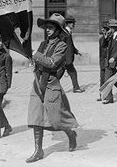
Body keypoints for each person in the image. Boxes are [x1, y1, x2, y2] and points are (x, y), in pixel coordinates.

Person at [26, 13, 78, 163]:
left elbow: (52, 63)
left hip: (51, 85)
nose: (47, 30)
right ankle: (38, 150)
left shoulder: (62, 45)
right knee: (36, 116)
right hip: (38, 85)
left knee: (57, 119)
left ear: (57, 29)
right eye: (46, 27)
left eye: (50, 27)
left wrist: (36, 55)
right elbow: (40, 62)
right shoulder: (43, 44)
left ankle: (71, 134)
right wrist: (34, 64)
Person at [58, 14, 84, 93]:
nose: (73, 24)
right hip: (66, 58)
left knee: (60, 73)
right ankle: (76, 88)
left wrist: (76, 51)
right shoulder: (64, 33)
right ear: (68, 24)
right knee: (72, 73)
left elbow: (70, 45)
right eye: (72, 23)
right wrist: (64, 58)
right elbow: (62, 45)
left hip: (67, 58)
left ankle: (50, 85)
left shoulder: (68, 32)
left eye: (73, 23)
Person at [102, 19, 117, 104]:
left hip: (115, 62)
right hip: (108, 62)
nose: (109, 30)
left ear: (114, 28)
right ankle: (109, 98)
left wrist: (114, 57)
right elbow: (103, 46)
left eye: (110, 28)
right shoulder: (109, 37)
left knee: (116, 80)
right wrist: (105, 37)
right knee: (108, 79)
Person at [98, 21, 111, 101]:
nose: (104, 31)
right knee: (102, 80)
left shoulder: (110, 39)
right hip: (102, 62)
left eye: (105, 29)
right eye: (103, 29)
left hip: (108, 62)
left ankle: (108, 97)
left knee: (107, 80)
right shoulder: (101, 39)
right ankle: (102, 96)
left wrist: (106, 37)